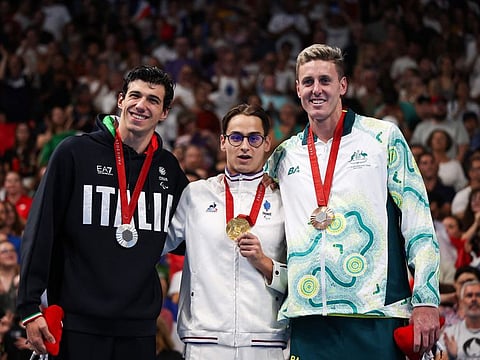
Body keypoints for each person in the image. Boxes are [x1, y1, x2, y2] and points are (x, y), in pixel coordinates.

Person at [265, 44, 440, 359]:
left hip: (374, 314)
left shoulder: (382, 138)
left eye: (325, 80)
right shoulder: (284, 154)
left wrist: (426, 299)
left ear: (342, 85)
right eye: (307, 82)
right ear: (297, 89)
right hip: (308, 317)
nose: (316, 90)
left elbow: (418, 221)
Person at [16, 65, 189, 360]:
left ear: (164, 113)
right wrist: (30, 307)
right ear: (120, 100)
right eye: (135, 96)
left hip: (139, 328)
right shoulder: (74, 153)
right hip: (78, 323)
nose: (141, 105)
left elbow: (193, 235)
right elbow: (41, 228)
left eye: (153, 100)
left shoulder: (167, 168)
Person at [163, 104, 288, 359]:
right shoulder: (196, 194)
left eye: (254, 138)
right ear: (223, 142)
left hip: (266, 340)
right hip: (204, 339)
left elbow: (302, 276)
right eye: (236, 137)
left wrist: (265, 264)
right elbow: (157, 243)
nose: (244, 146)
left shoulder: (284, 198)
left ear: (266, 143)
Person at [439, 280, 480, 359]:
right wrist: (451, 357)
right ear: (461, 302)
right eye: (469, 295)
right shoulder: (449, 334)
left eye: (478, 295)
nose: (474, 299)